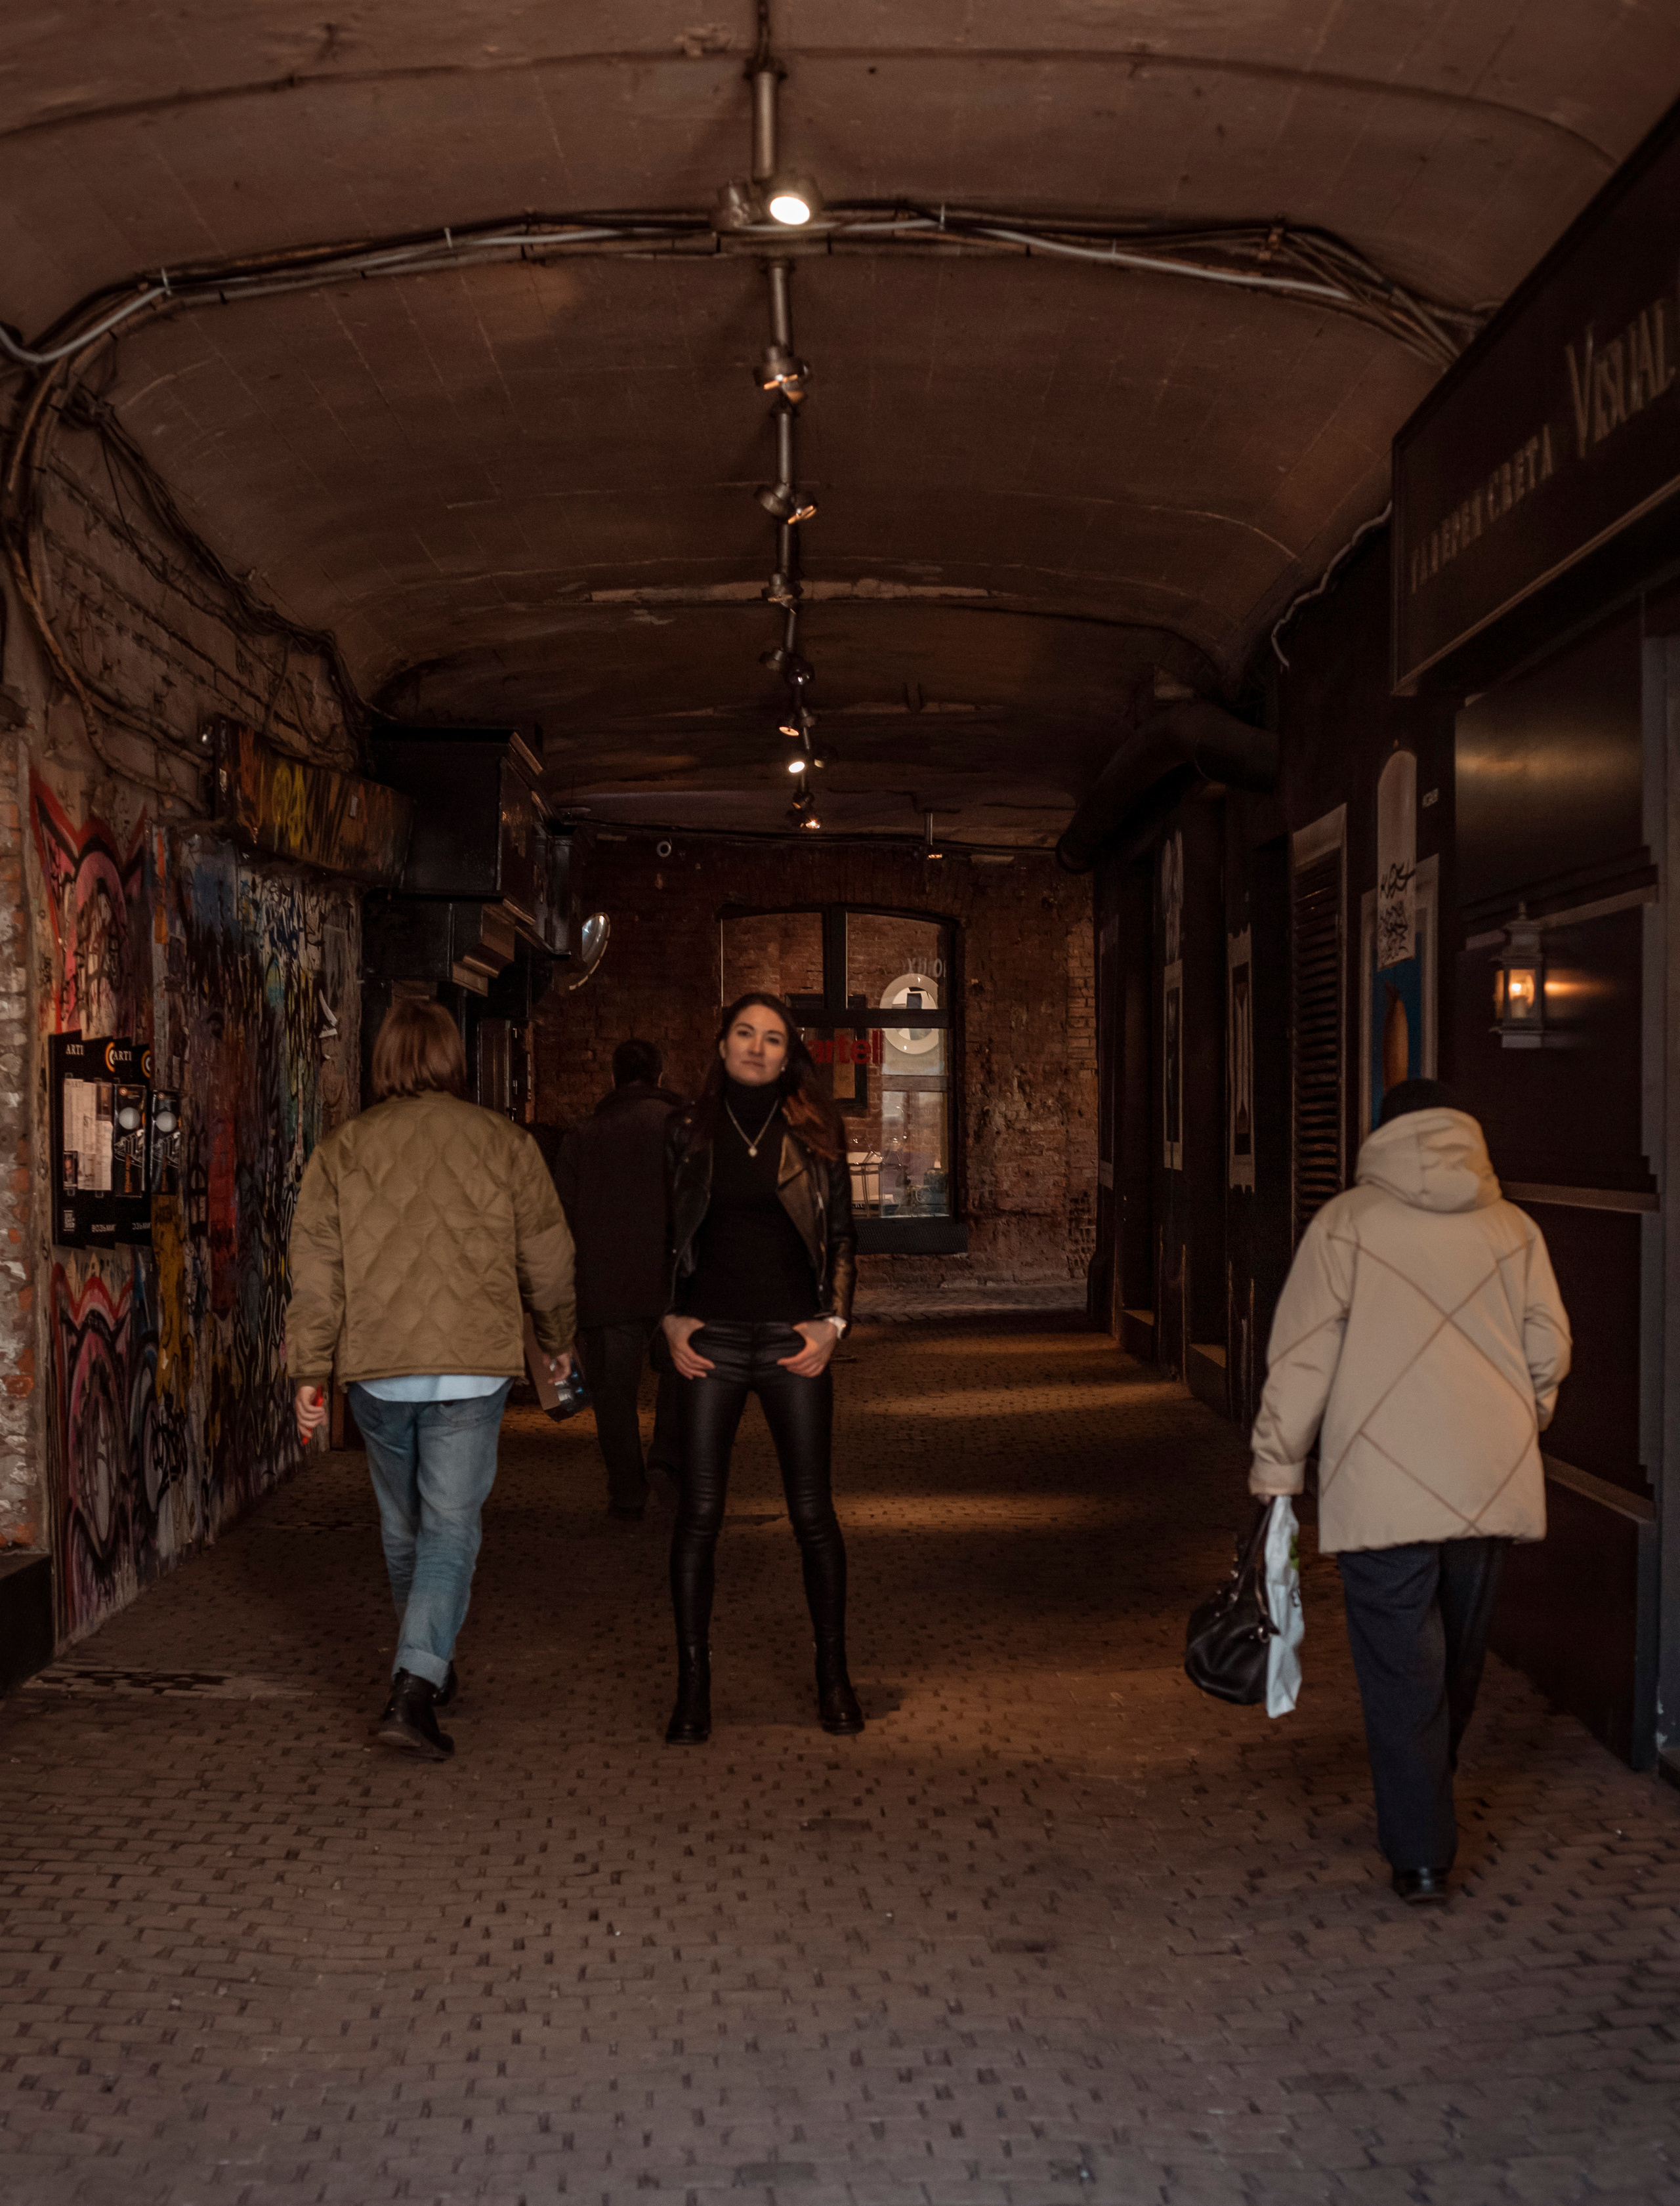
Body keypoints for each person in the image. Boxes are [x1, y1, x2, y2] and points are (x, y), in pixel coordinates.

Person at [1248, 1078, 1572, 1904]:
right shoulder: (1514, 1227)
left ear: (1380, 1138)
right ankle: (1426, 1800)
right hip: (1487, 1475)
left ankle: (1421, 1851)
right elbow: (1548, 1345)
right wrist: (1521, 1417)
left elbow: (1304, 1357)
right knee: (1456, 1661)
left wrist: (1277, 1464)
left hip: (1380, 1482)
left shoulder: (1345, 1224)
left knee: (1400, 1668)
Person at [287, 998, 576, 1762]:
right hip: (470, 1366)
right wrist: (557, 1341)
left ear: (383, 1061)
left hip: (379, 1371)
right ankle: (415, 1684)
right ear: (454, 1058)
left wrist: (309, 1369)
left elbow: (317, 1275)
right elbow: (547, 1254)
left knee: (403, 1526)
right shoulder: (503, 1142)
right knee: (450, 1526)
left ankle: (425, 1659)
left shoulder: (342, 1150)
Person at [661, 991, 860, 1745]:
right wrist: (669, 1316)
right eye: (744, 1033)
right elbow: (661, 1235)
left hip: (790, 1342)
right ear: (720, 1045)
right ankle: (693, 1688)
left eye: (772, 1038)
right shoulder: (687, 1130)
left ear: (788, 1053)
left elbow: (842, 1236)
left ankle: (833, 1677)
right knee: (699, 1517)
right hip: (707, 1341)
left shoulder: (815, 1129)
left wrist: (833, 1323)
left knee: (813, 1515)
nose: (756, 1047)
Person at [552, 1038, 686, 1519]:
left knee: (613, 1396)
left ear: (613, 1077)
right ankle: (667, 1463)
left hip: (605, 1289)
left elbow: (560, 1220)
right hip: (674, 1286)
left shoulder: (584, 1137)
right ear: (660, 1074)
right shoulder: (685, 1132)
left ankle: (628, 1490)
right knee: (683, 1382)